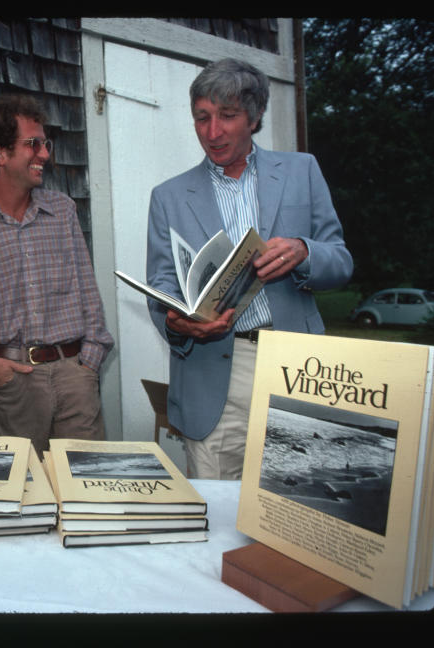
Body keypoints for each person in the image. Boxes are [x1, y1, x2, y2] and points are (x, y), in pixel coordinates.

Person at [146, 58, 353, 480]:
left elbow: (341, 261)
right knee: (218, 508)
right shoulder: (168, 196)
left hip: (298, 365)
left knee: (297, 501)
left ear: (255, 116)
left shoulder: (302, 171)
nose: (212, 131)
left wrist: (304, 252)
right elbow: (162, 285)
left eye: (227, 116)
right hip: (215, 372)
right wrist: (179, 322)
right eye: (202, 118)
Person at [0, 95, 114, 455]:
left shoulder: (62, 211)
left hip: (75, 376)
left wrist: (90, 360)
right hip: (12, 385)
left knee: (86, 486)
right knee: (22, 494)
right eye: (33, 144)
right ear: (0, 155)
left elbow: (88, 290)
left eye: (46, 143)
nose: (44, 154)